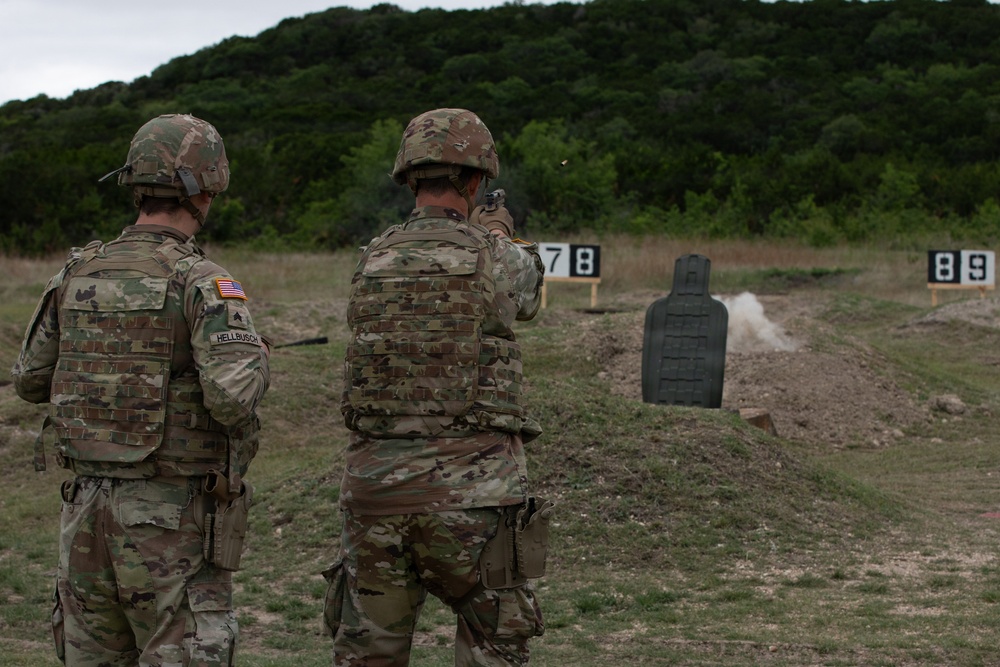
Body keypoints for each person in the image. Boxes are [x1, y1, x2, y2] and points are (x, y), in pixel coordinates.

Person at [10, 113, 270, 667]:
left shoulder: (77, 272)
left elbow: (30, 379)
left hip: (84, 514)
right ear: (208, 184)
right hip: (168, 518)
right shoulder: (202, 281)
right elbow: (231, 397)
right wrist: (257, 356)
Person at [324, 108, 551, 666]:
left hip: (375, 491)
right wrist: (496, 228)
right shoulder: (496, 254)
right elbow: (529, 301)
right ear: (476, 181)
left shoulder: (372, 256)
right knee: (494, 646)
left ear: (410, 178)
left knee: (368, 652)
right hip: (473, 496)